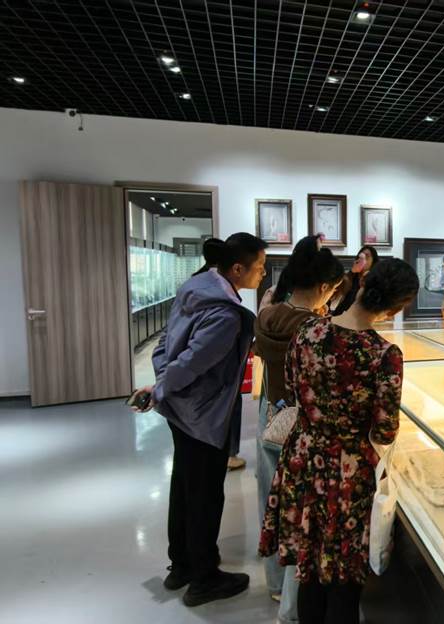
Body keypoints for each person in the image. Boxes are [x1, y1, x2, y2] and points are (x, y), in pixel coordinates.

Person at [259, 259, 419, 624]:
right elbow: (385, 430)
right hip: (348, 474)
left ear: (363, 285)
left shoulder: (308, 331)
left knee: (310, 568)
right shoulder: (385, 355)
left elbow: (292, 386)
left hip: (303, 459)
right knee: (344, 575)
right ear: (395, 308)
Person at [134, 232, 267, 607]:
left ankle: (182, 565)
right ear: (237, 268)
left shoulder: (194, 289)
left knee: (185, 487)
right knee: (205, 495)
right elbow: (192, 361)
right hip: (203, 413)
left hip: (182, 409)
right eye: (259, 266)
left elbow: (166, 345)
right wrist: (163, 387)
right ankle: (204, 578)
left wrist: (162, 384)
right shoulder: (224, 314)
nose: (262, 273)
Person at [254, 242, 344, 614]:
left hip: (269, 417)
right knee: (303, 519)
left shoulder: (267, 313)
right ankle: (291, 610)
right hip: (301, 428)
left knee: (271, 505)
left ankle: (275, 584)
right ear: (324, 287)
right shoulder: (318, 330)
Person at [192, 238, 248, 472]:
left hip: (200, 377)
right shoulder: (220, 287)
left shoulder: (196, 280)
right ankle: (229, 454)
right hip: (220, 368)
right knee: (229, 405)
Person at [331, 245, 379, 316]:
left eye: (367, 256)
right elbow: (337, 292)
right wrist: (352, 272)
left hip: (361, 318)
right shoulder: (351, 276)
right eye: (361, 256)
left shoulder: (375, 280)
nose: (363, 259)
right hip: (340, 316)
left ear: (373, 261)